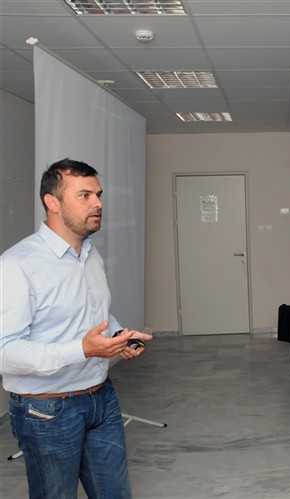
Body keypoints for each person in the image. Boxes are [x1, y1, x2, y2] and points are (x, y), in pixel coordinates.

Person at [0, 158, 152, 499]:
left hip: (102, 398)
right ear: (52, 202)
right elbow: (4, 352)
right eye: (84, 195)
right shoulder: (17, 265)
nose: (98, 203)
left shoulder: (90, 255)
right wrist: (83, 350)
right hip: (47, 411)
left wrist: (117, 336)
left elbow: (96, 316)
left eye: (98, 194)